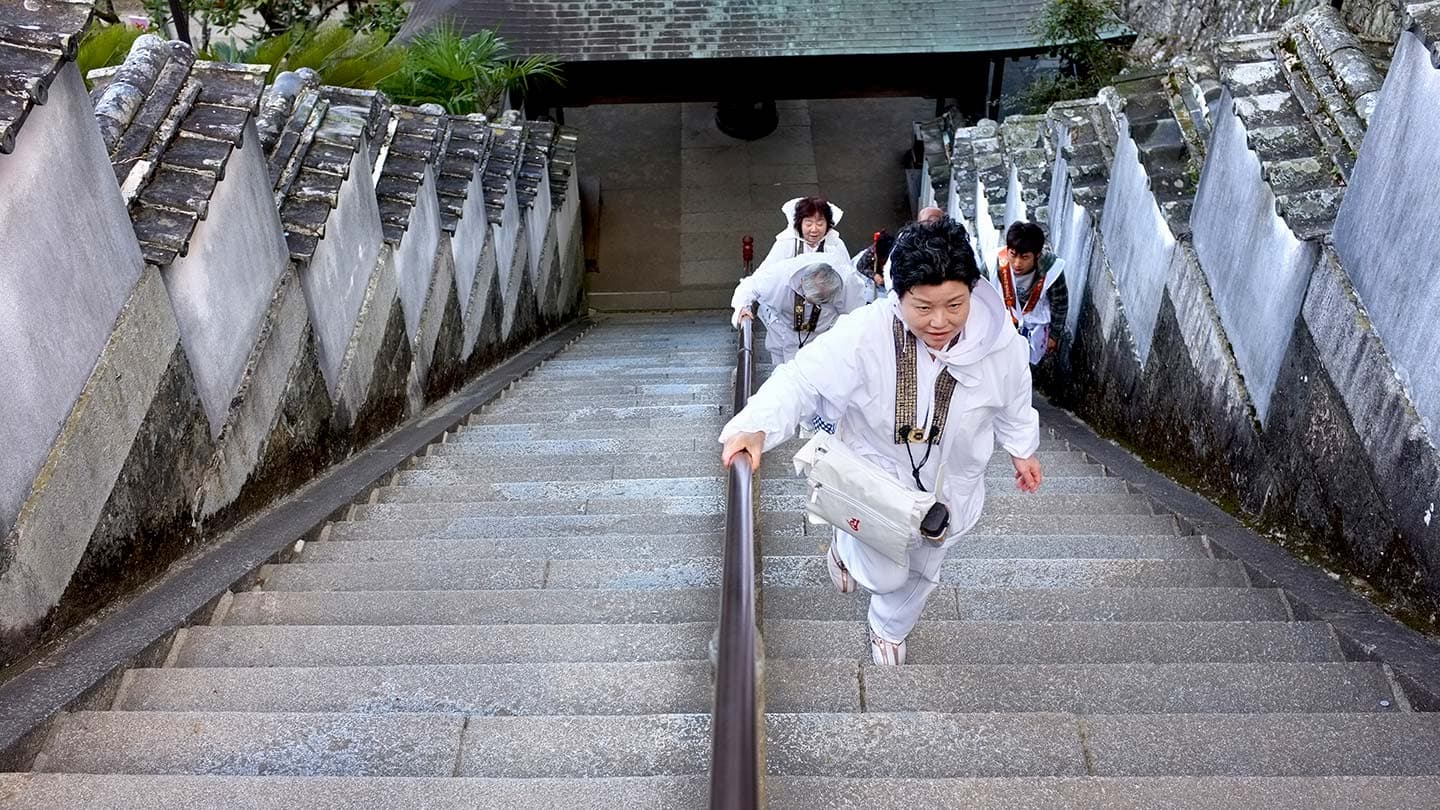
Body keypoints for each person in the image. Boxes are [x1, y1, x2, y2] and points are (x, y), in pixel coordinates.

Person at [719, 217, 1043, 666]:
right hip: (875, 474)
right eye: (923, 307)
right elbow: (802, 378)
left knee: (926, 567)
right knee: (886, 573)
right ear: (899, 296)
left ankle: (888, 628)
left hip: (951, 482)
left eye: (954, 304)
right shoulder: (867, 331)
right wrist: (756, 424)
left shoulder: (1000, 343)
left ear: (972, 290)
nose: (940, 322)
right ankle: (845, 542)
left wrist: (1022, 449)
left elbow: (1014, 399)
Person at [730, 257, 861, 364]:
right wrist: (742, 307)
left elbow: (855, 317)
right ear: (802, 281)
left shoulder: (847, 280)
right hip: (785, 330)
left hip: (823, 335)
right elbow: (749, 286)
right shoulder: (779, 276)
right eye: (808, 297)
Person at [991, 221, 1068, 365]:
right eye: (1013, 255)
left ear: (1037, 255)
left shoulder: (1052, 270)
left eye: (1025, 257)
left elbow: (1060, 303)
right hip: (1003, 324)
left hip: (1036, 326)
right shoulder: (993, 264)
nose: (1017, 263)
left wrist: (1054, 336)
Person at [756, 196, 853, 273]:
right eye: (808, 224)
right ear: (800, 223)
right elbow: (766, 273)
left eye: (820, 224)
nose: (814, 229)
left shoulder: (835, 244)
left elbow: (848, 276)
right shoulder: (787, 243)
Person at [851, 230, 896, 303]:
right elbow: (860, 266)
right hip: (875, 270)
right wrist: (874, 275)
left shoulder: (898, 253)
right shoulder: (872, 252)